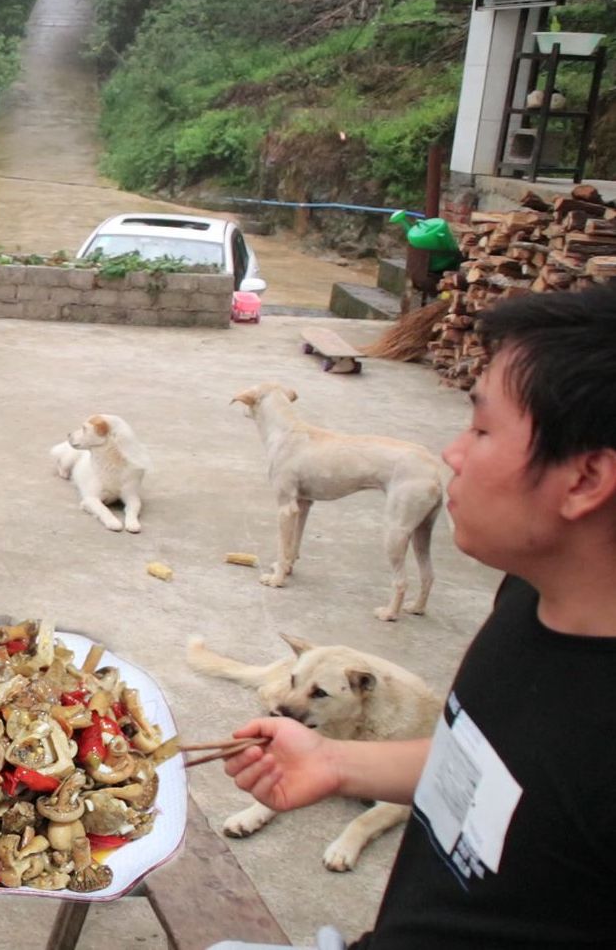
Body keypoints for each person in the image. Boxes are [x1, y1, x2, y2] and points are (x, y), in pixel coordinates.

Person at [217, 287, 616, 949]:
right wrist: (337, 763)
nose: (452, 454)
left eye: (481, 429)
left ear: (584, 479)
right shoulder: (527, 599)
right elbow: (497, 765)